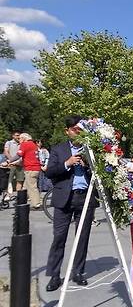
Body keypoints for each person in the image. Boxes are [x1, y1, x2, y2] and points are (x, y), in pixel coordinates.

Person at [44, 115, 99, 291]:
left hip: (85, 198)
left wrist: (89, 166)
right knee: (59, 237)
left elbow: (101, 174)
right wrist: (67, 163)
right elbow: (50, 172)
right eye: (75, 129)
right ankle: (54, 275)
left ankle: (78, 271)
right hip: (64, 199)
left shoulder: (91, 150)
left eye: (80, 129)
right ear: (67, 131)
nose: (78, 132)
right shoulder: (58, 150)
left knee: (82, 237)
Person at [14, 133, 42, 209]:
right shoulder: (33, 144)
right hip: (35, 168)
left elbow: (18, 155)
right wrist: (12, 163)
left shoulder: (25, 144)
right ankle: (21, 201)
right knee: (25, 187)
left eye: (19, 138)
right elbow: (27, 157)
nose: (18, 140)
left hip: (30, 169)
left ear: (23, 138)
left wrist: (8, 161)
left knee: (32, 187)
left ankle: (36, 204)